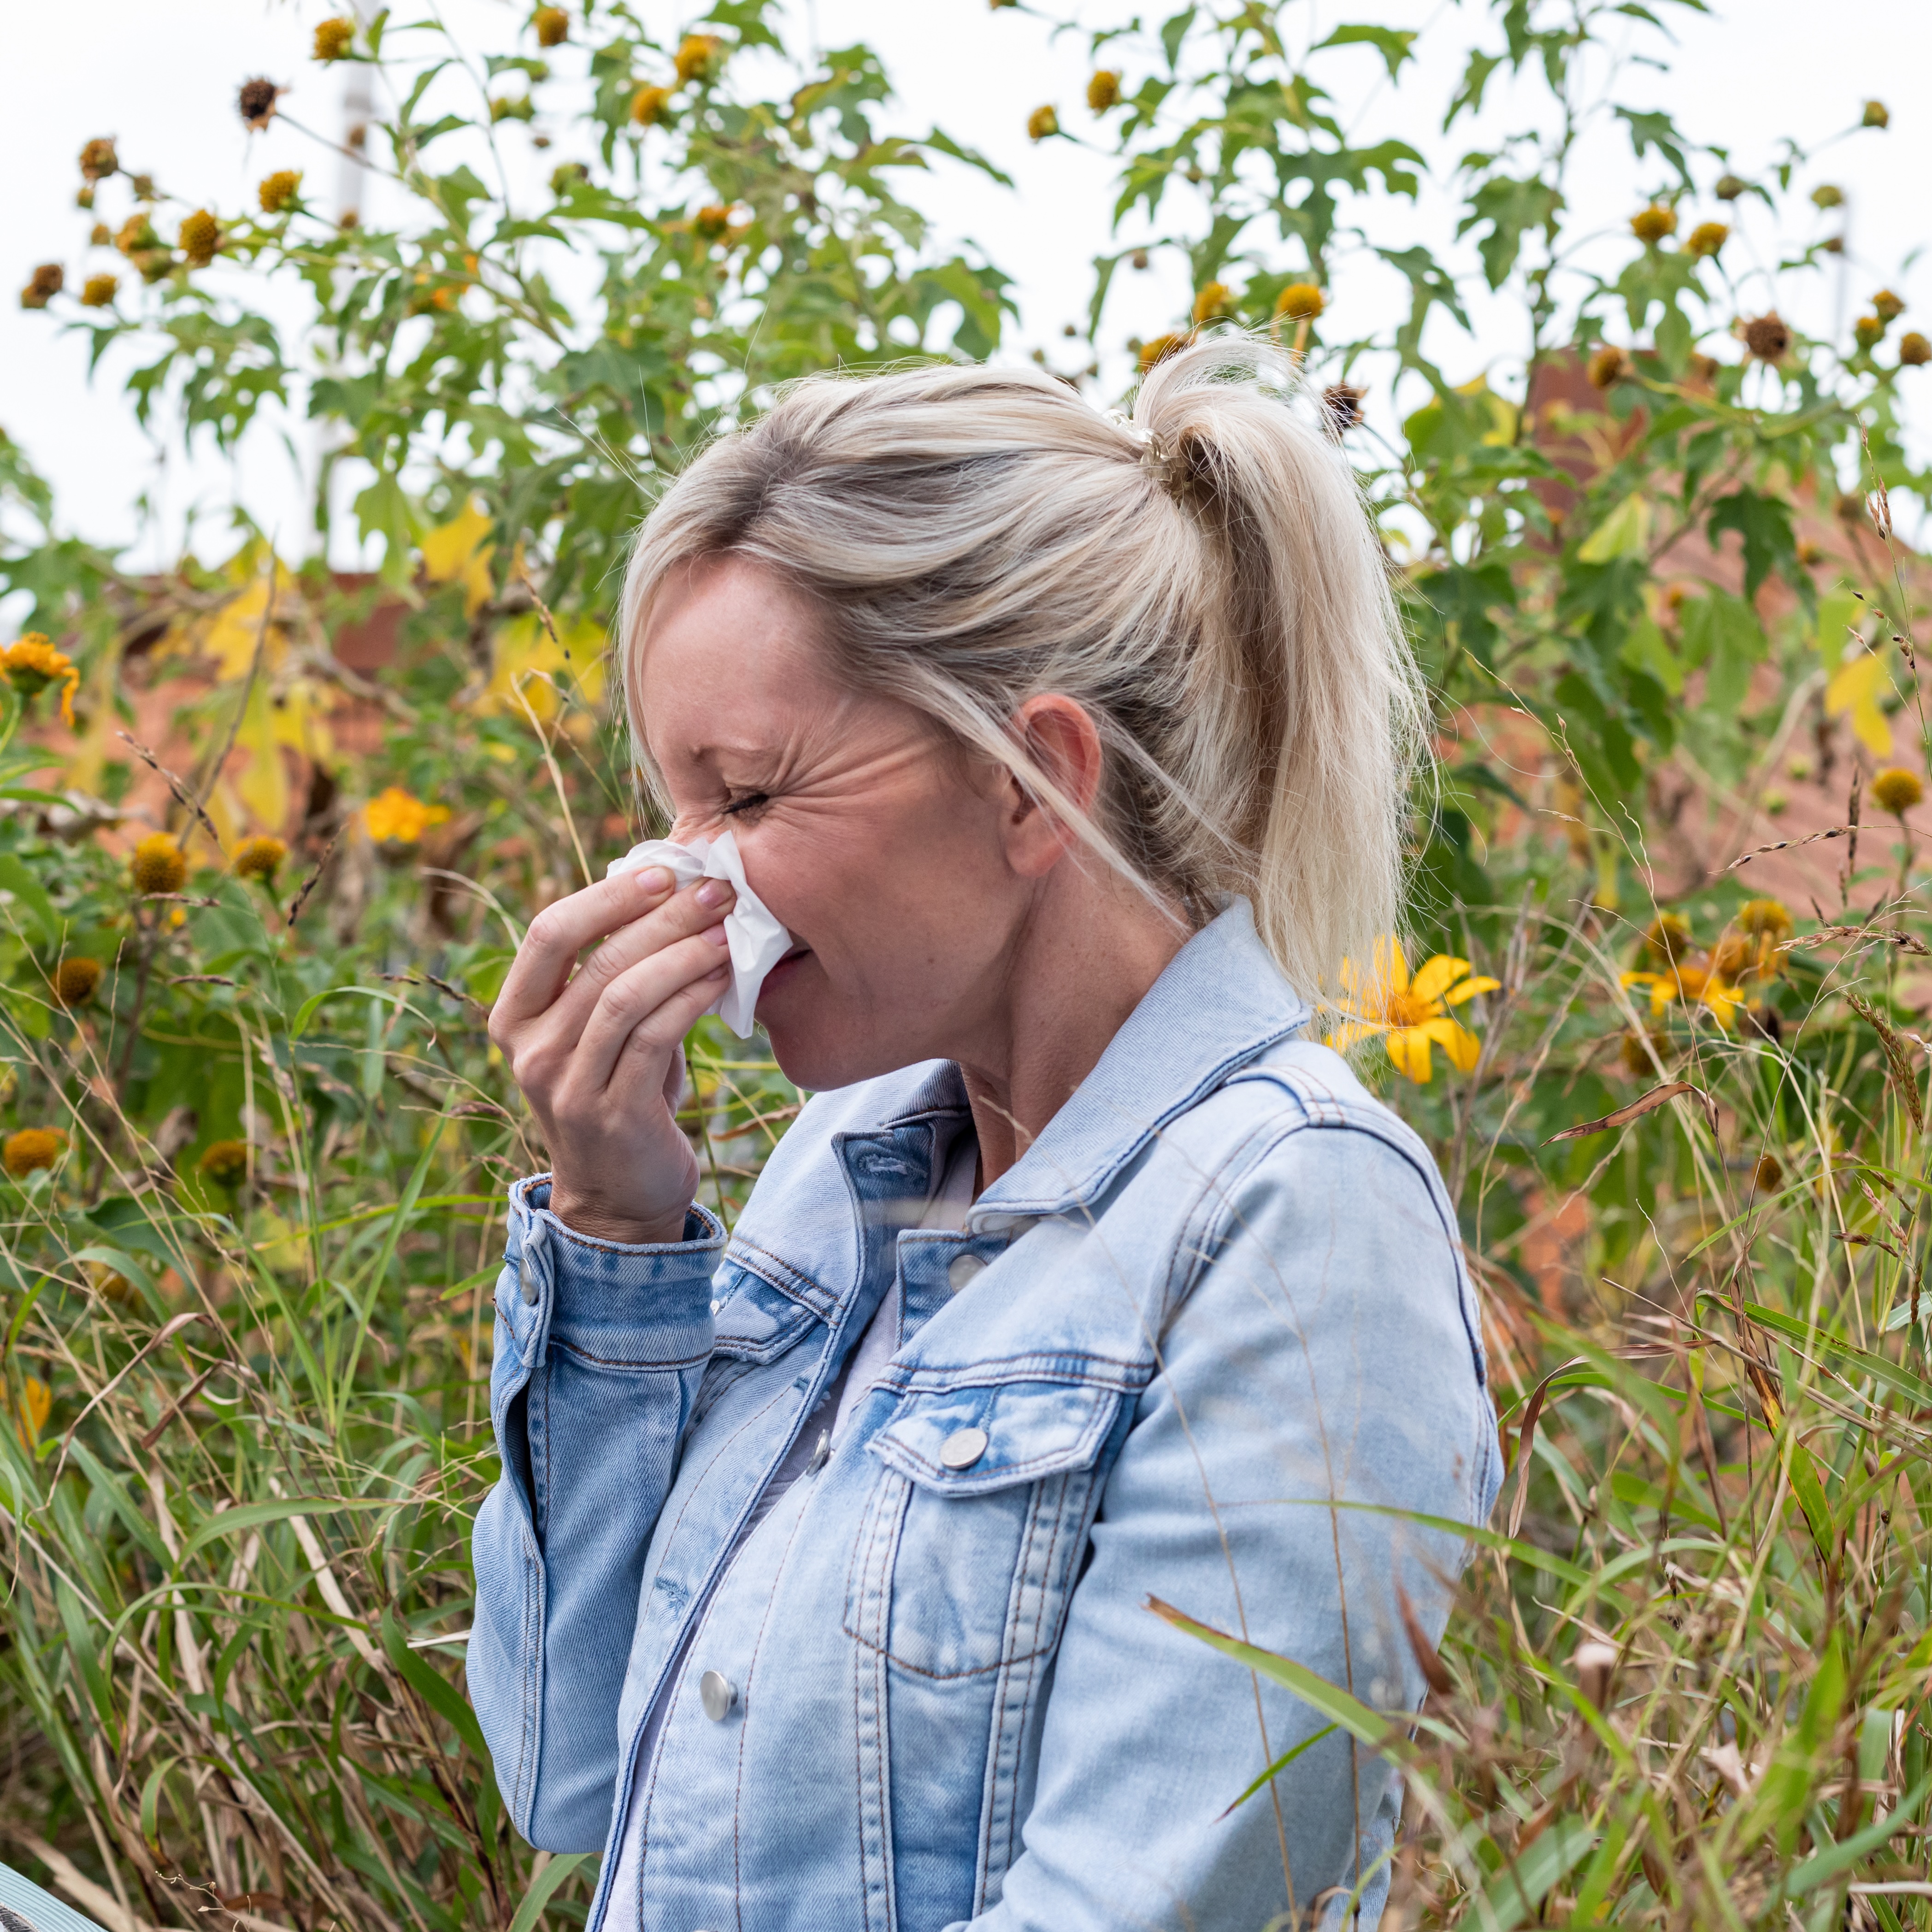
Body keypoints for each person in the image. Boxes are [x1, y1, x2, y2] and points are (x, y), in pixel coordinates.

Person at [471, 336, 1501, 1932]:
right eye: (675, 810)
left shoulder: (1294, 1224)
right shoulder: (847, 1169)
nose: (680, 883)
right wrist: (614, 1232)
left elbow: (1150, 1901)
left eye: (744, 799)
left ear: (1034, 783)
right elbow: (566, 1774)